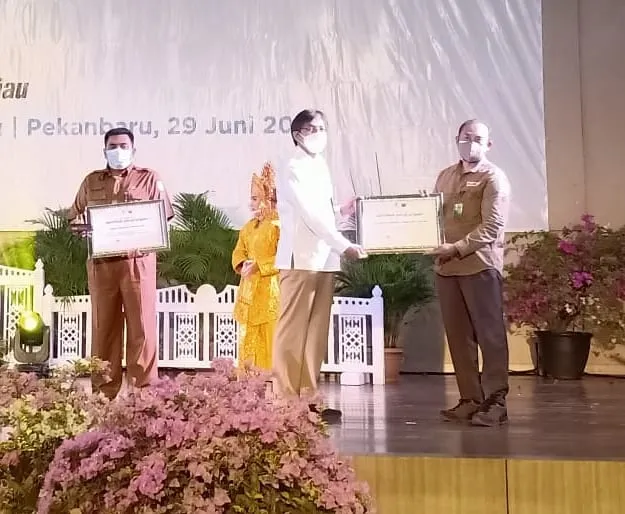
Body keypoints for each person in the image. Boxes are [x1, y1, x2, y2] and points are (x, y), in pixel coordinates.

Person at [273, 108, 366, 423]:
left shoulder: (320, 165)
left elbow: (322, 211)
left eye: (323, 128)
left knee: (315, 332)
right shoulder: (292, 166)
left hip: (324, 258)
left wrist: (342, 211)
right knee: (293, 331)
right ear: (297, 134)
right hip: (300, 258)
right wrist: (343, 244)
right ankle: (286, 402)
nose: (319, 134)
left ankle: (309, 397)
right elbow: (309, 214)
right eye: (312, 129)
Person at [67, 127, 174, 400]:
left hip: (138, 264)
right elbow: (74, 216)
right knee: (104, 329)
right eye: (113, 146)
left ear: (133, 150)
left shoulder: (149, 178)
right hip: (102, 265)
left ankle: (143, 396)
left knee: (142, 330)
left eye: (123, 146)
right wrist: (81, 226)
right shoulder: (91, 181)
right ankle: (103, 395)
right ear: (105, 151)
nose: (118, 151)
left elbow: (163, 216)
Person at [430, 119, 511, 427]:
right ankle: (470, 399)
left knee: (490, 336)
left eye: (478, 138)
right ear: (457, 139)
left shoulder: (493, 177)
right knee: (459, 336)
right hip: (447, 268)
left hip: (480, 265)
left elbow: (493, 226)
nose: (471, 143)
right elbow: (432, 217)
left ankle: (496, 401)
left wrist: (457, 247)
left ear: (488, 145)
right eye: (466, 137)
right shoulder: (445, 176)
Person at [232, 162, 280, 371]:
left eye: (254, 198)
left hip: (270, 291)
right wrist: (242, 264)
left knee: (271, 337)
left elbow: (285, 258)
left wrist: (260, 266)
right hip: (249, 290)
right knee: (247, 338)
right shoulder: (248, 227)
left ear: (266, 199)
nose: (250, 203)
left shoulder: (278, 226)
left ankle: (272, 382)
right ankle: (248, 383)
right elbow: (238, 251)